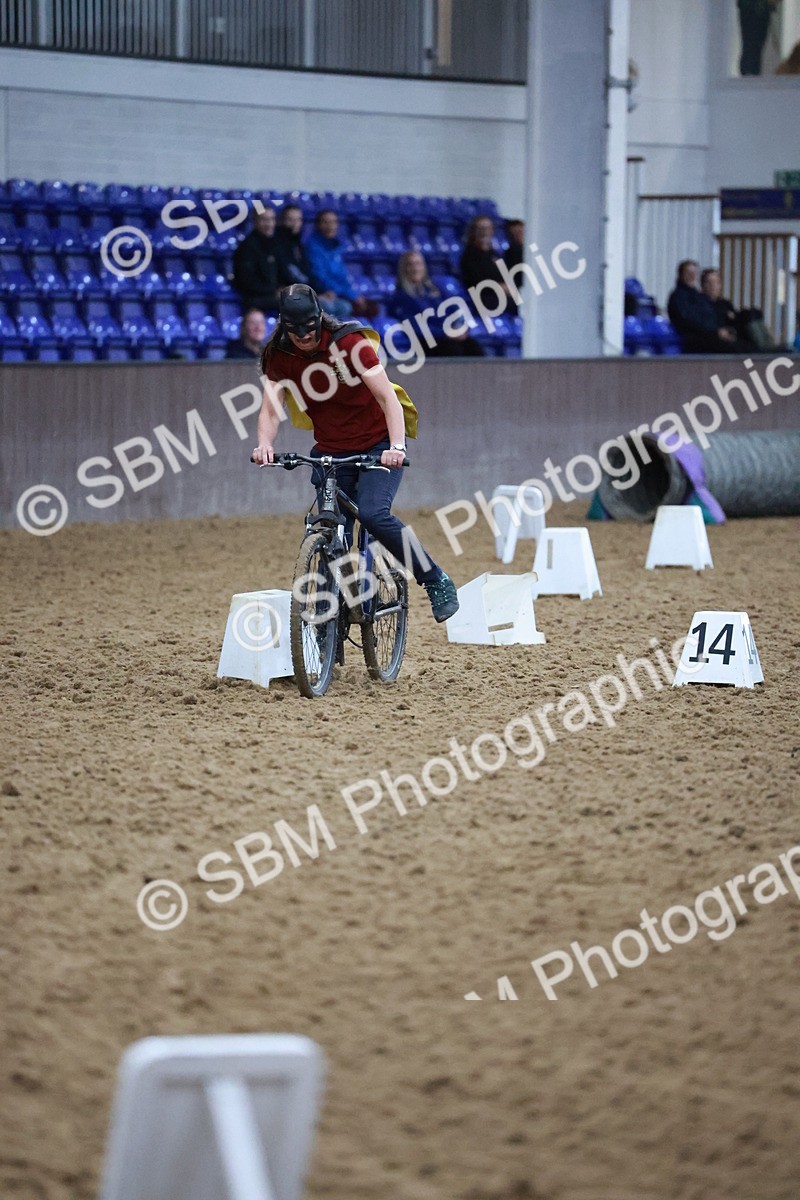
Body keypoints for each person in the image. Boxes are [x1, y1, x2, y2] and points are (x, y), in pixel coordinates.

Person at [252, 284, 459, 623]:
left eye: (309, 329)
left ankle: (435, 579)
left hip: (378, 444)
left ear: (319, 318)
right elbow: (272, 409)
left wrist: (396, 447)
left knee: (374, 514)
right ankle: (327, 617)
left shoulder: (349, 343)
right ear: (284, 326)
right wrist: (265, 444)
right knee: (331, 529)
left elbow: (387, 398)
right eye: (295, 331)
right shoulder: (279, 354)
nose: (304, 337)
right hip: (331, 451)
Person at [390, 251, 483, 358]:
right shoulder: (401, 297)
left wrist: (461, 328)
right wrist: (445, 333)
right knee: (453, 350)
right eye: (410, 265)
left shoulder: (434, 290)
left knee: (474, 348)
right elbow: (413, 325)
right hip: (426, 339)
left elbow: (454, 310)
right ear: (404, 269)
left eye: (418, 264)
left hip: (448, 335)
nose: (415, 269)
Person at [667, 260, 743, 353]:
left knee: (743, 345)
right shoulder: (678, 297)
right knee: (735, 349)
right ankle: (748, 366)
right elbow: (690, 320)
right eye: (688, 273)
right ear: (681, 274)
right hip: (694, 338)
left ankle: (751, 366)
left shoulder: (698, 296)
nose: (692, 276)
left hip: (708, 334)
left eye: (694, 273)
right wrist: (716, 331)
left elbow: (709, 317)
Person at [700, 268, 777, 352]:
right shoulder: (699, 303)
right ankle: (765, 348)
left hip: (734, 333)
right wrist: (718, 331)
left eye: (716, 282)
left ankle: (767, 343)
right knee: (749, 349)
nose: (713, 286)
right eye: (710, 282)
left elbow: (735, 318)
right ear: (703, 285)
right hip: (716, 338)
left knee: (752, 313)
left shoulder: (725, 303)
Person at [459, 215, 517, 315]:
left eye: (488, 228)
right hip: (483, 297)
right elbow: (474, 282)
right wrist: (497, 287)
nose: (484, 232)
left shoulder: (494, 254)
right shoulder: (469, 255)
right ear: (474, 231)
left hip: (500, 295)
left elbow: (505, 275)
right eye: (481, 229)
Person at [305, 210, 355, 319]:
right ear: (318, 225)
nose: (330, 226)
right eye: (326, 222)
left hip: (337, 294)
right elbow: (318, 275)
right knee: (338, 308)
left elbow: (342, 276)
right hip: (320, 293)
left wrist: (353, 295)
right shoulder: (312, 247)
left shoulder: (337, 248)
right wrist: (333, 291)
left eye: (333, 222)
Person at [231, 206, 280, 315]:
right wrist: (273, 291)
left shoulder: (275, 245)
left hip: (273, 295)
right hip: (255, 299)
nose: (269, 224)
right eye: (264, 220)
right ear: (255, 222)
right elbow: (247, 282)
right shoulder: (246, 248)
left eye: (272, 219)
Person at [737, 0, 780, 75]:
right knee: (752, 46)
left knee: (756, 47)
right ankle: (749, 74)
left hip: (761, 10)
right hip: (753, 10)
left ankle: (751, 74)